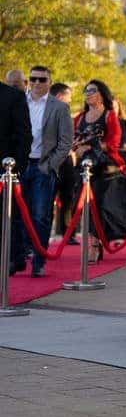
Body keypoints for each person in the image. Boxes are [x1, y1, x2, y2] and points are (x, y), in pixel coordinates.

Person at [10, 66, 73, 277]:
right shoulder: (18, 101)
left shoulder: (59, 107)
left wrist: (50, 165)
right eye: (33, 79)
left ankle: (38, 261)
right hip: (19, 165)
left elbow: (66, 143)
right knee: (18, 215)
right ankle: (18, 258)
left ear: (49, 82)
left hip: (42, 167)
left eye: (42, 79)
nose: (37, 83)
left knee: (40, 216)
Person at [71, 80, 126, 262]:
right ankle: (93, 243)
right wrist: (77, 148)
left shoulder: (109, 116)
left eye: (92, 90)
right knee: (86, 208)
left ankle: (97, 245)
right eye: (86, 90)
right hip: (84, 168)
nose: (88, 93)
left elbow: (113, 143)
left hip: (105, 170)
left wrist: (90, 146)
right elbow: (71, 139)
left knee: (102, 208)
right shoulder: (80, 117)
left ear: (101, 94)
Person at [1, 80, 31, 276]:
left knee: (8, 219)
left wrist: (15, 169)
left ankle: (12, 259)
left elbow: (24, 135)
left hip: (4, 172)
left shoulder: (13, 96)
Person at [49, 83, 79, 243]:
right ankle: (43, 234)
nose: (70, 100)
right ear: (60, 96)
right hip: (50, 159)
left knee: (68, 198)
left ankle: (68, 234)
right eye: (69, 97)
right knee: (47, 198)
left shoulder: (66, 113)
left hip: (66, 161)